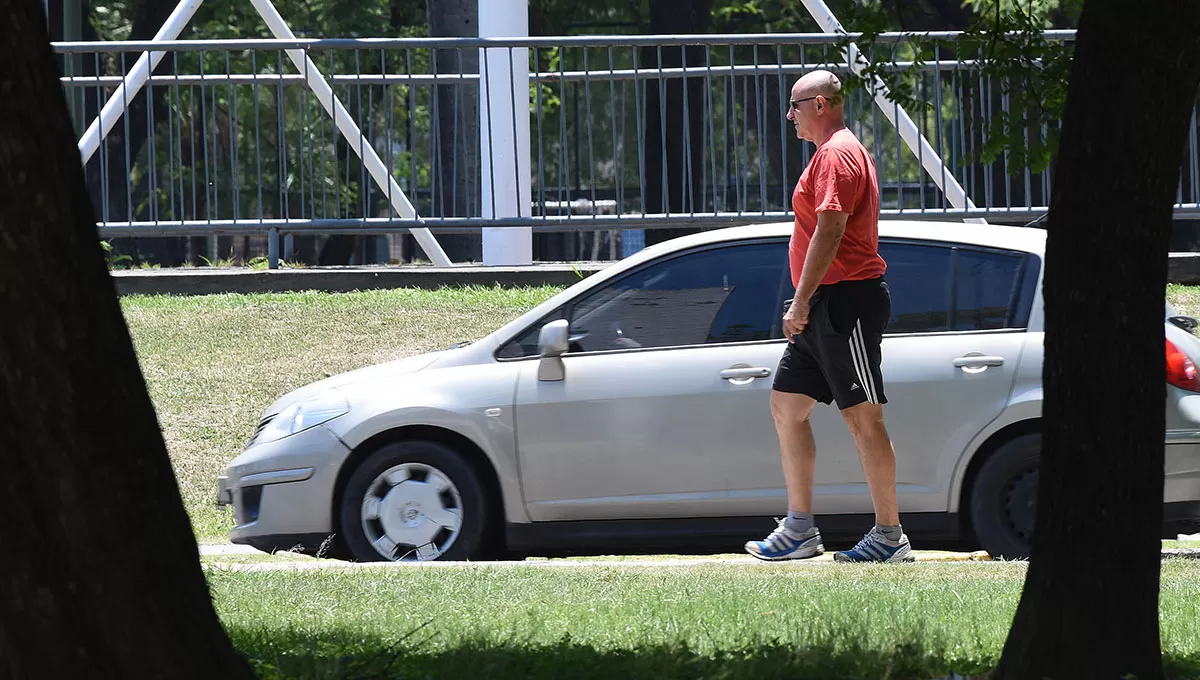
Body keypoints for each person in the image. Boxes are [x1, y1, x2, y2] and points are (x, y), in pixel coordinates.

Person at [744, 70, 912, 563]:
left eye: (793, 107)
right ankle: (799, 529)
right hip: (822, 304)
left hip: (845, 303)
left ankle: (889, 537)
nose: (789, 117)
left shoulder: (838, 154)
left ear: (820, 104)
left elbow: (831, 230)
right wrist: (805, 302)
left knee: (864, 419)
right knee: (786, 406)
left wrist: (799, 300)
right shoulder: (830, 154)